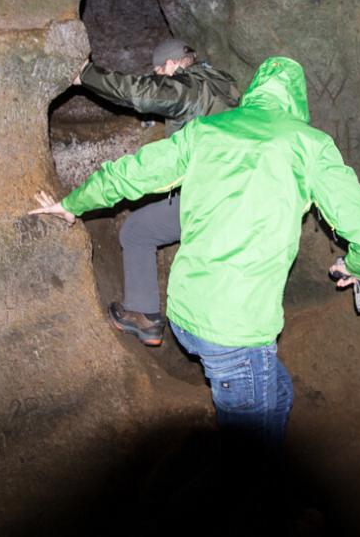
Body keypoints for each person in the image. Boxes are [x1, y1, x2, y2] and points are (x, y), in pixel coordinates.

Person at [30, 56, 360, 455]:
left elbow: (131, 174)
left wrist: (72, 203)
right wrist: (355, 266)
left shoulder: (205, 130)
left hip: (187, 316)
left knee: (279, 395)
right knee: (248, 459)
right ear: (297, 99)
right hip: (237, 330)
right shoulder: (308, 145)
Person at [72, 38, 240, 347]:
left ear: (173, 64)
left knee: (137, 231)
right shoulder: (224, 83)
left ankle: (145, 315)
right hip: (239, 195)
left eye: (158, 69)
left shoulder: (189, 87)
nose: (157, 75)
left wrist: (87, 74)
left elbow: (141, 92)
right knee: (147, 228)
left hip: (210, 198)